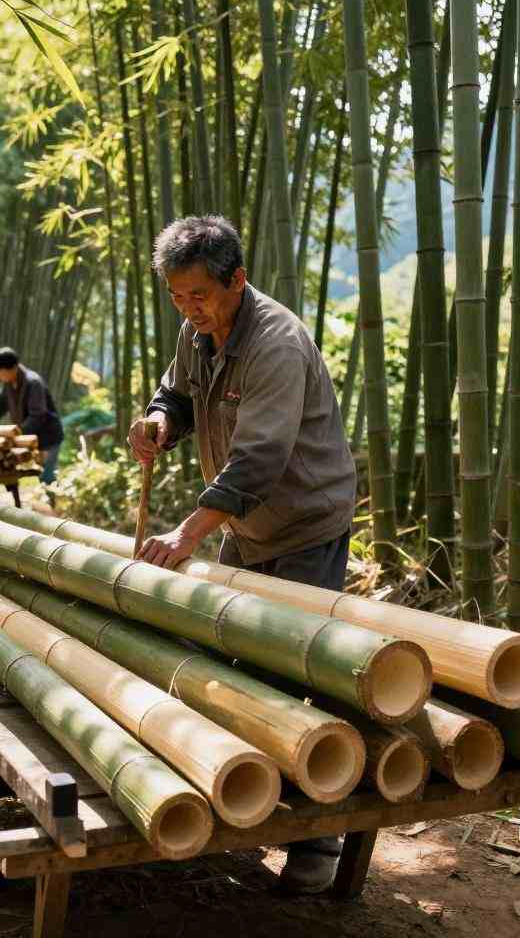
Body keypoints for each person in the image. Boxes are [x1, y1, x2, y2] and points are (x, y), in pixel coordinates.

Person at [127, 215, 357, 895]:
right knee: (223, 658)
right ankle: (242, 802)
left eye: (198, 295)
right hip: (245, 525)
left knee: (293, 679)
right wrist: (160, 421)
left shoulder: (277, 343)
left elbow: (257, 462)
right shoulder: (197, 331)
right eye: (176, 297)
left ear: (238, 281)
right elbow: (176, 393)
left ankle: (318, 844)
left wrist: (188, 532)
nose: (188, 309)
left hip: (304, 525)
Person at [0, 348, 64, 485]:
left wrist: (15, 434)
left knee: (47, 477)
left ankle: (56, 504)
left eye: (0, 373)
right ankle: (50, 503)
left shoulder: (33, 382)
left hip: (48, 437)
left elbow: (37, 415)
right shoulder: (8, 384)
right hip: (32, 437)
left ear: (12, 368)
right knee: (42, 476)